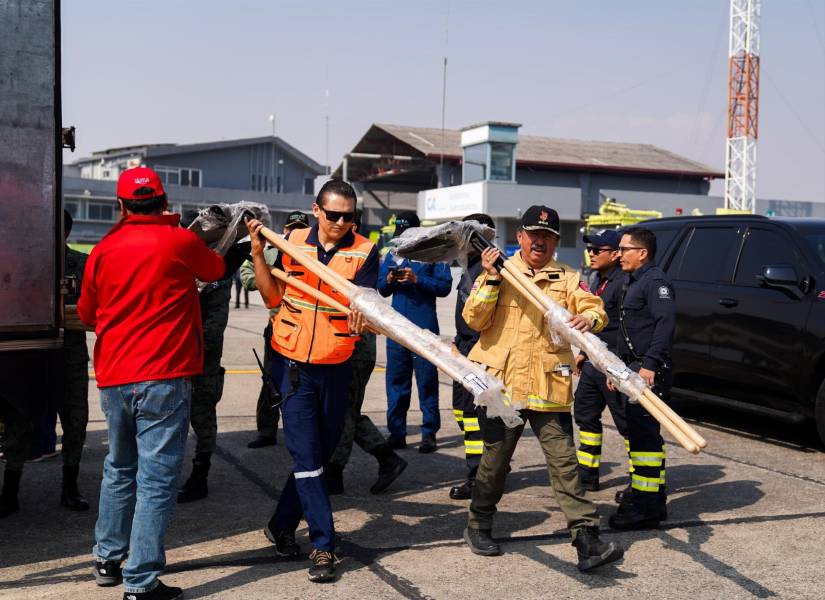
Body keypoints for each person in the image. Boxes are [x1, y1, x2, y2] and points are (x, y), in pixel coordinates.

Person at [79, 167, 224, 600]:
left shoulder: (103, 250)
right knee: (157, 480)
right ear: (165, 203)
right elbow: (215, 267)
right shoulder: (181, 241)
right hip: (163, 377)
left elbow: (88, 316)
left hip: (115, 379)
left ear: (120, 207)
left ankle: (107, 557)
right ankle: (141, 581)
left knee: (119, 468)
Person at [461, 205, 623, 572]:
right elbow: (473, 319)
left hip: (549, 386)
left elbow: (596, 309)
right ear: (519, 237)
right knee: (495, 463)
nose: (540, 241)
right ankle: (478, 525)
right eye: (534, 235)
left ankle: (586, 540)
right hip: (503, 386)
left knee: (566, 465)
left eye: (548, 237)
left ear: (556, 241)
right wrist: (488, 279)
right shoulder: (500, 269)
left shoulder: (568, 277)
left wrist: (590, 318)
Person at [245, 179, 378, 583]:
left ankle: (281, 526)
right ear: (316, 210)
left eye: (348, 216)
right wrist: (258, 256)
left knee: (317, 458)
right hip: (294, 367)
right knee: (305, 457)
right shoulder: (292, 243)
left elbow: (368, 310)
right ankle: (323, 545)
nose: (340, 223)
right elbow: (272, 298)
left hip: (337, 366)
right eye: (333, 214)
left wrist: (363, 320)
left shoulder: (366, 251)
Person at [324, 211, 407, 496]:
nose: (336, 225)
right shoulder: (332, 253)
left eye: (343, 219)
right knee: (343, 409)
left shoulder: (361, 256)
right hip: (340, 344)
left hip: (356, 346)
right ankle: (387, 459)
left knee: (345, 411)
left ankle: (336, 472)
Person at [607, 227, 675, 530]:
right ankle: (650, 498)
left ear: (642, 253)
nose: (618, 255)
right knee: (640, 437)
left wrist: (648, 366)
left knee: (645, 441)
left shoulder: (655, 283)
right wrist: (618, 370)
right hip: (631, 369)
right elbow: (627, 331)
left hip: (647, 373)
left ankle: (646, 510)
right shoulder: (632, 281)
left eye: (624, 249)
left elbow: (664, 325)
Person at [378, 212, 452, 453]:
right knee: (396, 384)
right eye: (400, 234)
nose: (403, 239)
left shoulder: (433, 254)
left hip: (424, 330)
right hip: (397, 330)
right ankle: (396, 432)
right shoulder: (392, 253)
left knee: (427, 383)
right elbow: (381, 289)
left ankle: (429, 433)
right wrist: (389, 279)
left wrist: (417, 279)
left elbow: (444, 287)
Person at [241, 210, 310, 449]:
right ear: (285, 230)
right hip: (277, 327)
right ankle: (266, 431)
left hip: (308, 329)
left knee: (303, 384)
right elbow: (247, 272)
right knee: (271, 379)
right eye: (292, 228)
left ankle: (300, 431)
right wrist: (264, 278)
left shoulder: (313, 257)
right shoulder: (269, 253)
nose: (296, 233)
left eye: (302, 229)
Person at [573, 229, 631, 492]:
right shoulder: (599, 279)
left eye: (598, 250)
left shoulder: (624, 283)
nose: (591, 254)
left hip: (614, 365)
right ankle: (587, 474)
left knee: (627, 424)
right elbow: (596, 326)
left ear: (616, 254)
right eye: (590, 250)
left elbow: (625, 329)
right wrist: (584, 354)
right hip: (594, 361)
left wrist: (616, 368)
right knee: (585, 413)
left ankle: (639, 479)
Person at [176, 269, 232, 504]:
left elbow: (213, 330)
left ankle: (200, 475)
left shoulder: (218, 279)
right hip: (173, 362)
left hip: (201, 364)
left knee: (203, 420)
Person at [450, 213, 495, 500]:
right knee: (462, 413)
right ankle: (482, 469)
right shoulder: (470, 266)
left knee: (474, 415)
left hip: (479, 350)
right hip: (463, 347)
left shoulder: (490, 269)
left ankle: (479, 476)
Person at [59, 210, 92, 510]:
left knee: (76, 421)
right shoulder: (23, 262)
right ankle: (11, 487)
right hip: (33, 355)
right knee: (19, 421)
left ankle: (70, 484)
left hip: (71, 357)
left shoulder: (81, 264)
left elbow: (91, 313)